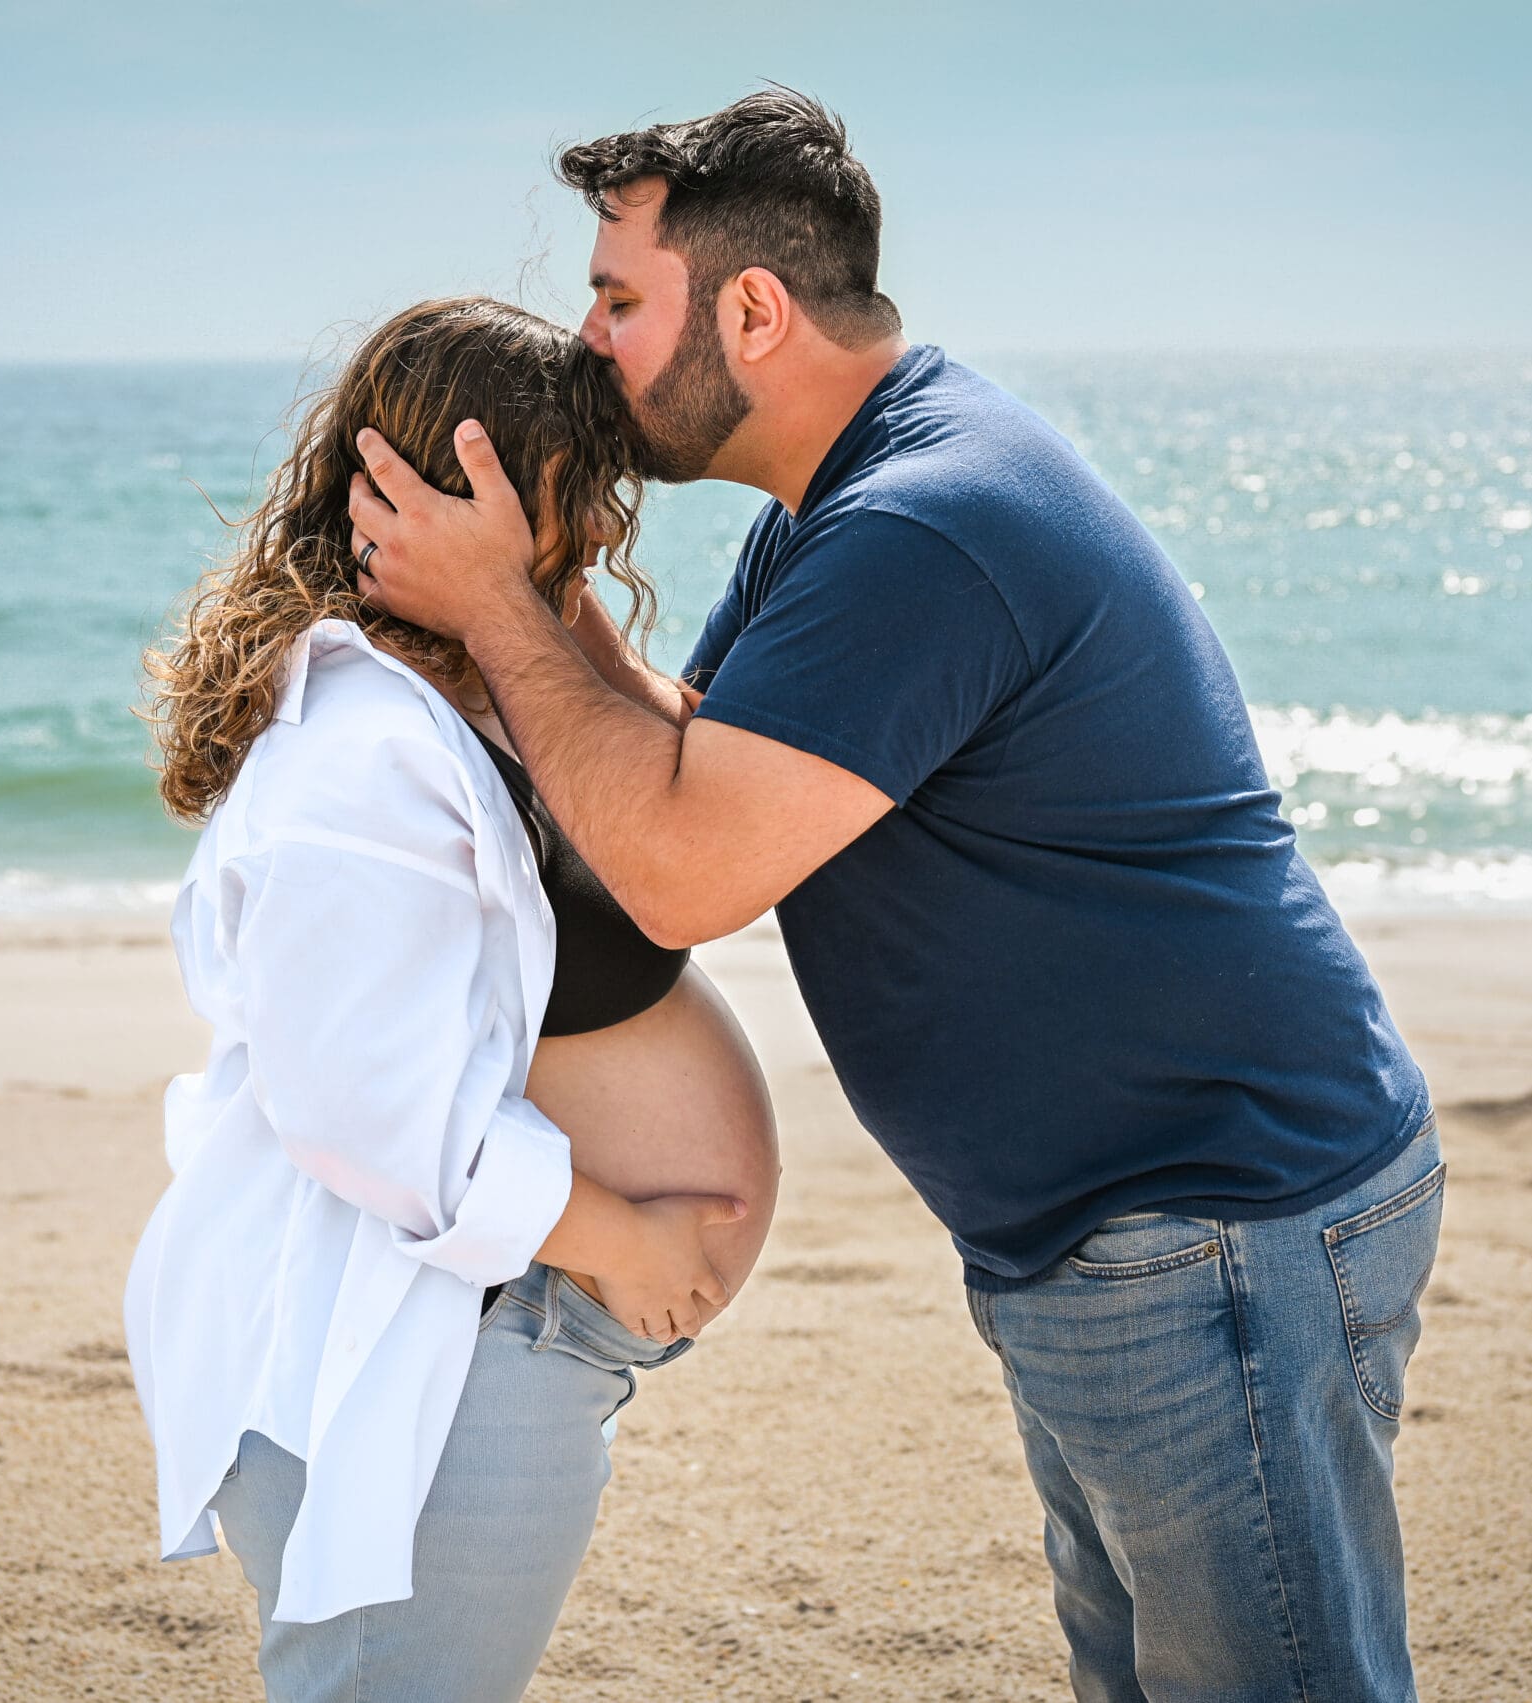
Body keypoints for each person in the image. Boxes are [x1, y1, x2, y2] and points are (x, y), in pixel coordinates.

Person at [348, 92, 1444, 1702]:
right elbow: (695, 759)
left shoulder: (923, 525)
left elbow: (676, 873)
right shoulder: (852, 495)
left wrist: (498, 612)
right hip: (1122, 1230)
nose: (589, 343)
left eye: (620, 301)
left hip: (1215, 1220)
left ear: (754, 310)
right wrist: (551, 598)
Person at [124, 296, 779, 1703]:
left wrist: (523, 594)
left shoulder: (482, 686)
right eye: (577, 490)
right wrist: (627, 1240)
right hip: (446, 1348)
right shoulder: (358, 755)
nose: (604, 526)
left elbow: (692, 791)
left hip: (510, 1333)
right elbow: (362, 1114)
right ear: (465, 481)